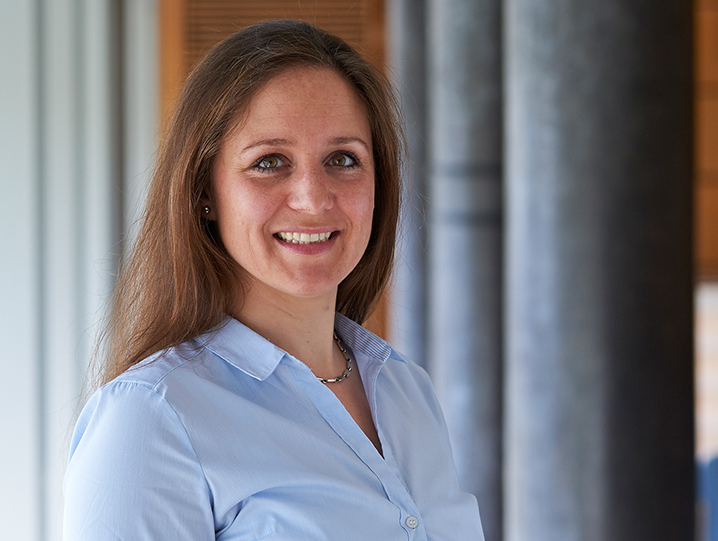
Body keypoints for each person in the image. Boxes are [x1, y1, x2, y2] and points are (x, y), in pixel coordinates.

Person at [63, 19, 485, 540]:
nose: (312, 197)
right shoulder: (150, 421)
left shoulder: (407, 391)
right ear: (203, 193)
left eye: (342, 159)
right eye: (269, 162)